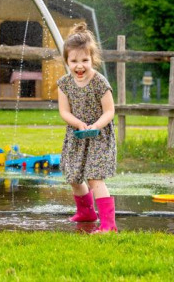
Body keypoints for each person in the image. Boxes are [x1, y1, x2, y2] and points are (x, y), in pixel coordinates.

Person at [57, 22, 117, 233]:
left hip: (99, 136)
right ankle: (86, 213)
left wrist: (96, 125)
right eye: (74, 61)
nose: (79, 66)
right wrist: (78, 123)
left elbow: (110, 111)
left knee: (94, 178)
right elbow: (64, 111)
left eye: (84, 60)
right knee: (74, 177)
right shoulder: (64, 84)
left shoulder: (99, 82)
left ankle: (109, 225)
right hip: (76, 135)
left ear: (92, 59)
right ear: (67, 61)